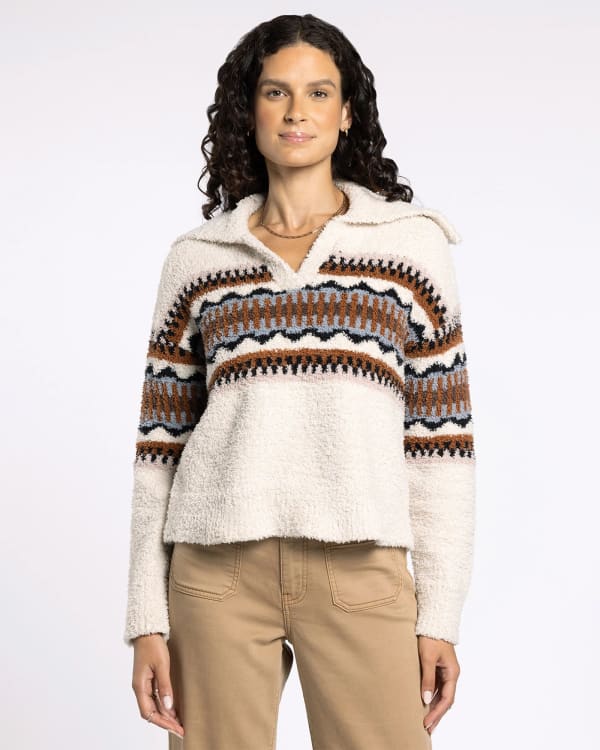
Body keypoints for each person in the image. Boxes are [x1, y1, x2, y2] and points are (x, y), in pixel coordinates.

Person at [123, 13, 476, 749]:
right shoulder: (198, 258)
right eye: (276, 92)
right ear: (248, 110)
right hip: (215, 573)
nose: (296, 112)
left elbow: (440, 447)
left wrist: (440, 615)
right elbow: (160, 449)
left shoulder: (410, 248)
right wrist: (145, 618)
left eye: (319, 93)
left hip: (361, 568)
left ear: (347, 114)